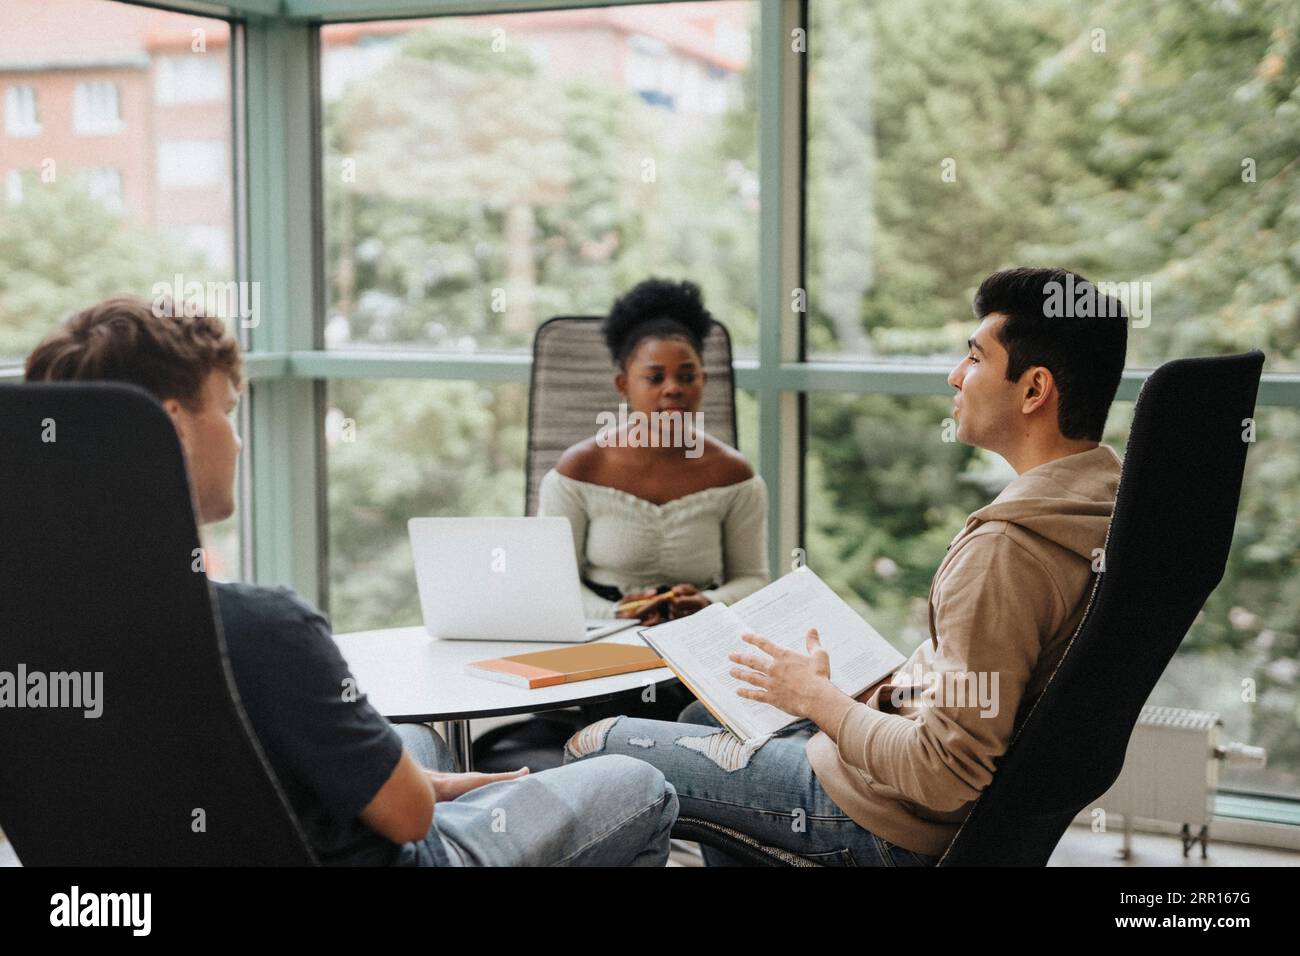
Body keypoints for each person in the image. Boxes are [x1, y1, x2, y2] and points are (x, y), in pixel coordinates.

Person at [25, 296, 678, 867]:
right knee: (636, 782)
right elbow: (410, 822)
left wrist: (419, 783)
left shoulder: (36, 624)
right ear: (171, 427)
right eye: (227, 411)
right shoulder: (261, 627)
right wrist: (425, 794)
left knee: (416, 744)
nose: (240, 441)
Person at [563, 267, 1129, 866]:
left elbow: (946, 773)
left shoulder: (1006, 551)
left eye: (975, 359)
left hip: (890, 821)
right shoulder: (1103, 507)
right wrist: (864, 693)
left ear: (1034, 390)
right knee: (711, 711)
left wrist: (820, 701)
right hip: (932, 792)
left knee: (593, 747)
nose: (955, 376)